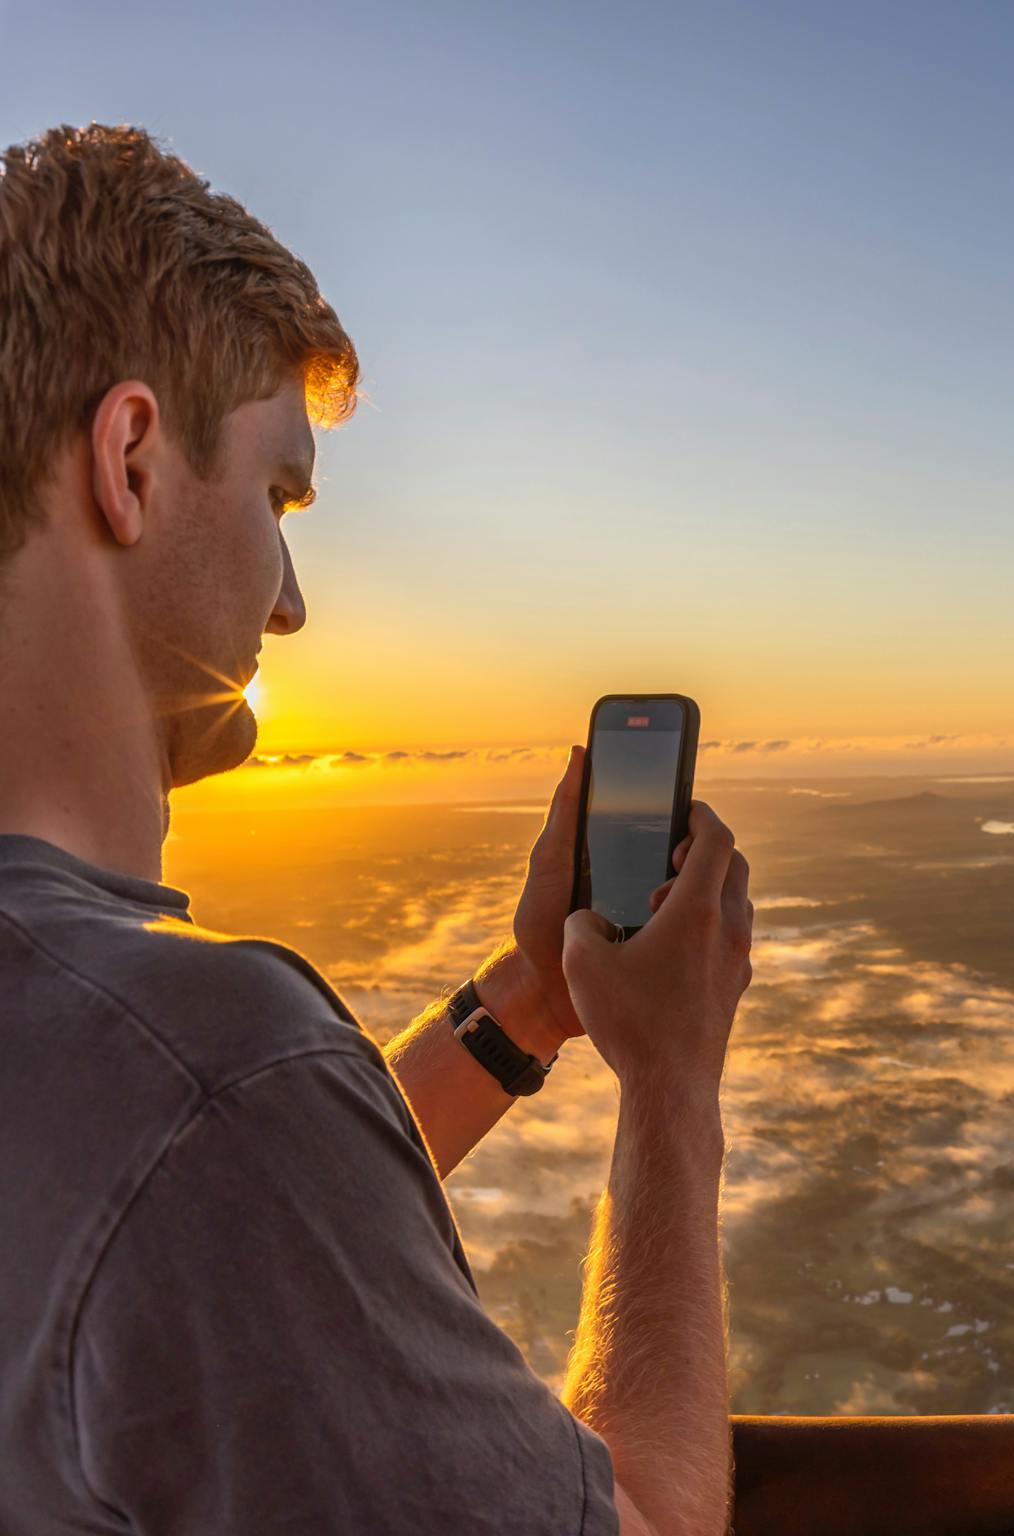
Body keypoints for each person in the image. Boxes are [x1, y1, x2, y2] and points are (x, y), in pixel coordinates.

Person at [0, 124, 748, 1535]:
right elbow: (652, 1519)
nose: (290, 606)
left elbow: (189, 1223)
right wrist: (672, 1079)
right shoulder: (207, 1072)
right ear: (135, 460)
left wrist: (525, 1005)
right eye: (280, 496)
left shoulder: (137, 1094)